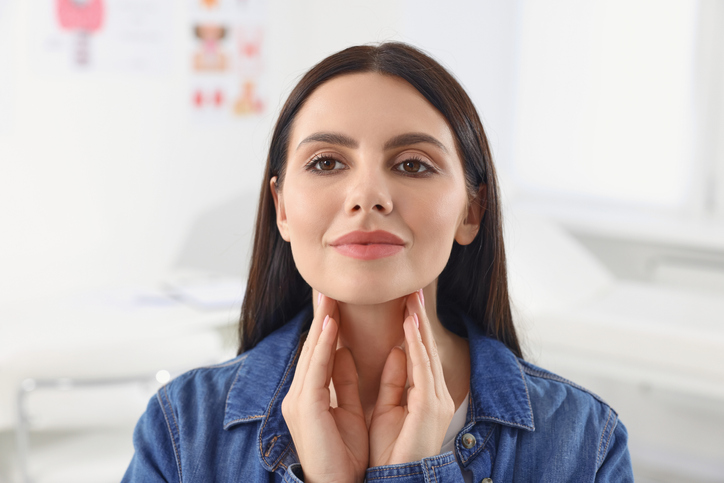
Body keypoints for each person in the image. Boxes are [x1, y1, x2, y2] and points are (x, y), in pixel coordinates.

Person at [122, 42, 633, 482]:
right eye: (326, 162)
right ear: (281, 207)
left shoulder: (584, 441)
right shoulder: (181, 429)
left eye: (412, 164)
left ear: (471, 211)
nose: (367, 196)